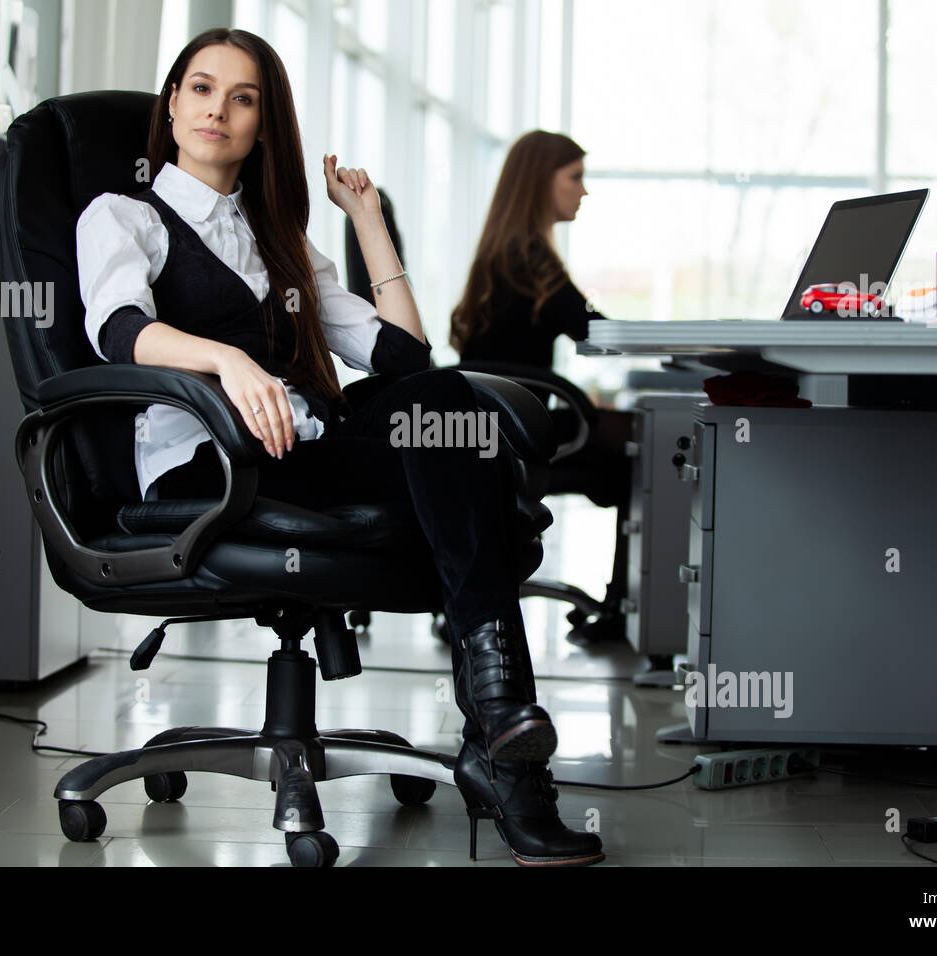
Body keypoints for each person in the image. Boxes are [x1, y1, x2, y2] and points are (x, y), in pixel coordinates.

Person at [74, 28, 602, 866]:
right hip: (210, 464)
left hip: (306, 450)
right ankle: (504, 752)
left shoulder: (277, 238)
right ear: (172, 105)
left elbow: (403, 355)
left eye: (242, 97)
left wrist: (368, 223)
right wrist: (226, 358)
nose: (218, 110)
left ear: (261, 123)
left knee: (444, 406)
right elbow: (118, 328)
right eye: (201, 89)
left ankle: (500, 726)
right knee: (477, 476)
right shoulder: (124, 215)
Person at [450, 130, 633, 646]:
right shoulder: (531, 260)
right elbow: (597, 334)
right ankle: (620, 610)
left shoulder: (507, 252)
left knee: (623, 432)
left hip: (486, 424)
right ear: (540, 182)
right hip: (513, 430)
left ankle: (622, 606)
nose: (584, 191)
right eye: (575, 178)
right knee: (640, 456)